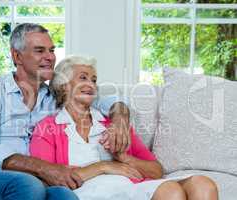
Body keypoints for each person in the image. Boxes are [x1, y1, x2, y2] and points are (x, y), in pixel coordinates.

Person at [0, 23, 131, 200]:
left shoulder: (54, 97)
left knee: (63, 194)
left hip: (31, 184)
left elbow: (107, 101)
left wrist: (120, 119)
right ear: (17, 57)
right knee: (28, 184)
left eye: (51, 50)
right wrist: (44, 168)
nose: (50, 57)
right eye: (39, 50)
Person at [30, 55, 219, 200]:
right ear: (63, 86)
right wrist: (104, 166)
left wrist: (123, 158)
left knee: (202, 184)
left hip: (130, 187)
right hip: (89, 193)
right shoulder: (47, 128)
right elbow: (48, 181)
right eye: (83, 77)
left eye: (94, 80)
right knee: (172, 191)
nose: (91, 84)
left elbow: (155, 170)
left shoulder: (112, 125)